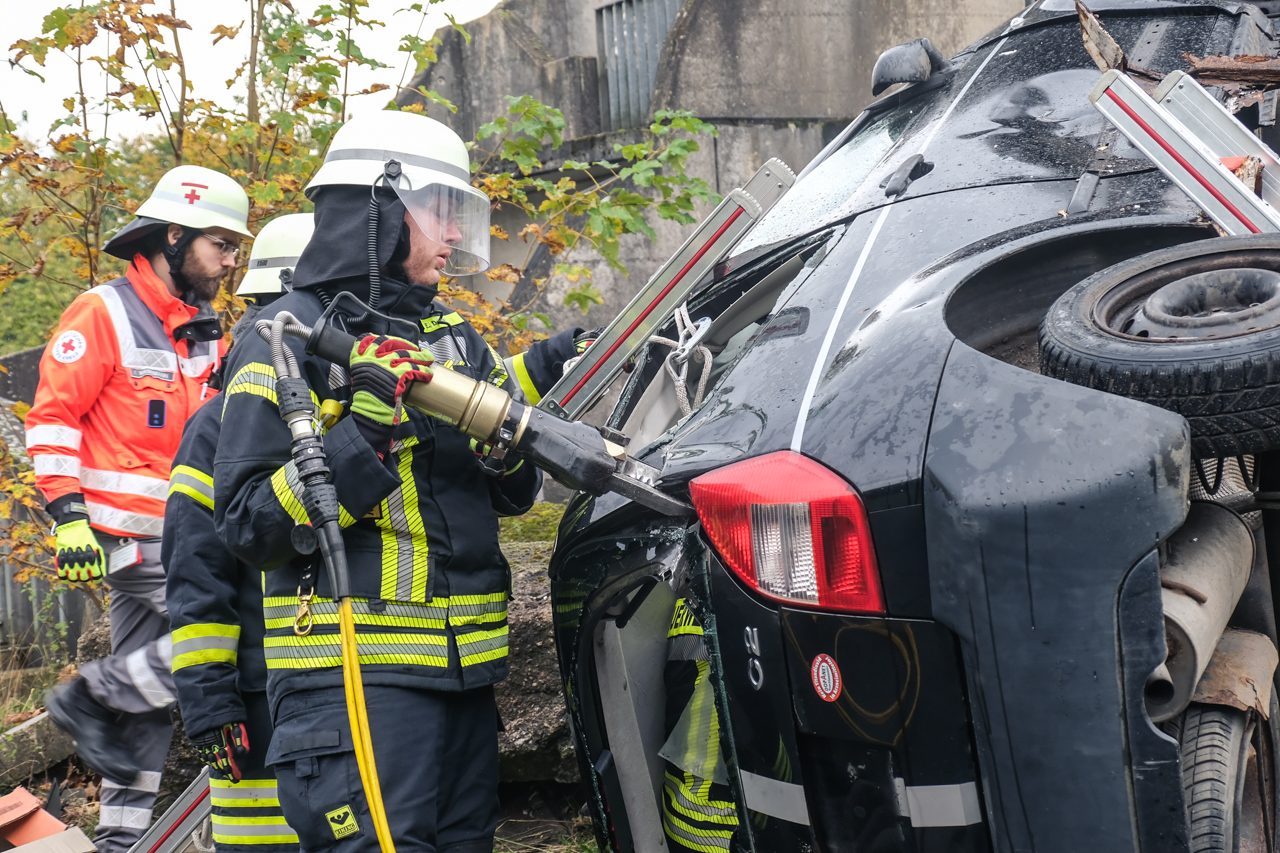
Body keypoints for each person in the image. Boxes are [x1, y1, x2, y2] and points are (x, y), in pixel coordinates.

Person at [213, 110, 584, 853]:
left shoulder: (452, 337)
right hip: (356, 686)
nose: (453, 236)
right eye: (439, 212)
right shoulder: (285, 338)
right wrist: (362, 431)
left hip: (465, 679)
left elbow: (512, 497)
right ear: (379, 208)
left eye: (458, 216)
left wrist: (498, 444)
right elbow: (250, 523)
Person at [27, 164, 251, 853]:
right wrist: (66, 513)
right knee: (232, 630)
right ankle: (90, 693)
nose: (232, 260)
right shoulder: (103, 312)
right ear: (174, 235)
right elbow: (53, 416)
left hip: (183, 529)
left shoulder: (204, 328)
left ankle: (122, 840)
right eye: (221, 243)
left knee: (146, 706)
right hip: (129, 533)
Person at [164, 214, 313, 853]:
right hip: (254, 709)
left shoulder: (338, 412)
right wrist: (210, 704)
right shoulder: (216, 425)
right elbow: (197, 574)